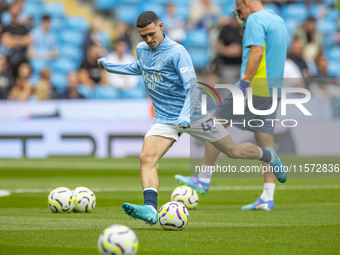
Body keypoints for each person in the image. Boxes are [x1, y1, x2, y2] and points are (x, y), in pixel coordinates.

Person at [97, 11, 286, 225]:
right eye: (143, 36)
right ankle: (150, 208)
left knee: (235, 151)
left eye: (151, 34)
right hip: (164, 118)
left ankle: (268, 156)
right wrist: (110, 67)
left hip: (193, 116)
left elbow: (192, 87)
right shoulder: (142, 49)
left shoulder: (178, 52)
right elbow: (140, 68)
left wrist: (186, 116)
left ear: (161, 25)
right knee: (146, 158)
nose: (149, 40)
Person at [176, 0, 289, 211]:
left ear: (246, 2)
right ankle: (267, 196)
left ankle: (204, 178)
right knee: (266, 141)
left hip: (254, 85)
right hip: (274, 88)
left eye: (239, 9)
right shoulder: (278, 20)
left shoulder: (255, 19)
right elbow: (271, 50)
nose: (239, 15)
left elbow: (256, 52)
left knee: (212, 126)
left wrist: (244, 83)